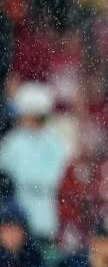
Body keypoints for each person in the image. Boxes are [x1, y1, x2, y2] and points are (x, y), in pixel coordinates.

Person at [0, 82, 69, 242]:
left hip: (45, 206)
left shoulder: (54, 141)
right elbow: (5, 173)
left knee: (42, 246)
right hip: (17, 206)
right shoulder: (13, 141)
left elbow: (54, 176)